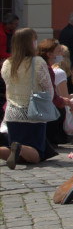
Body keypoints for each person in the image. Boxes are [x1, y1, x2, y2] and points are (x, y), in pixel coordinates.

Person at [0, 28, 53, 168]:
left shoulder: (7, 63)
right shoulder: (37, 62)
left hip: (12, 113)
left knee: (16, 155)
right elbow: (48, 89)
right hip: (33, 112)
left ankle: (16, 148)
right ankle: (20, 147)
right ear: (30, 43)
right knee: (36, 154)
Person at [38, 39, 72, 146]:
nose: (62, 54)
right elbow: (50, 94)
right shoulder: (46, 68)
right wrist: (63, 101)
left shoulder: (47, 68)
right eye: (59, 51)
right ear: (49, 54)